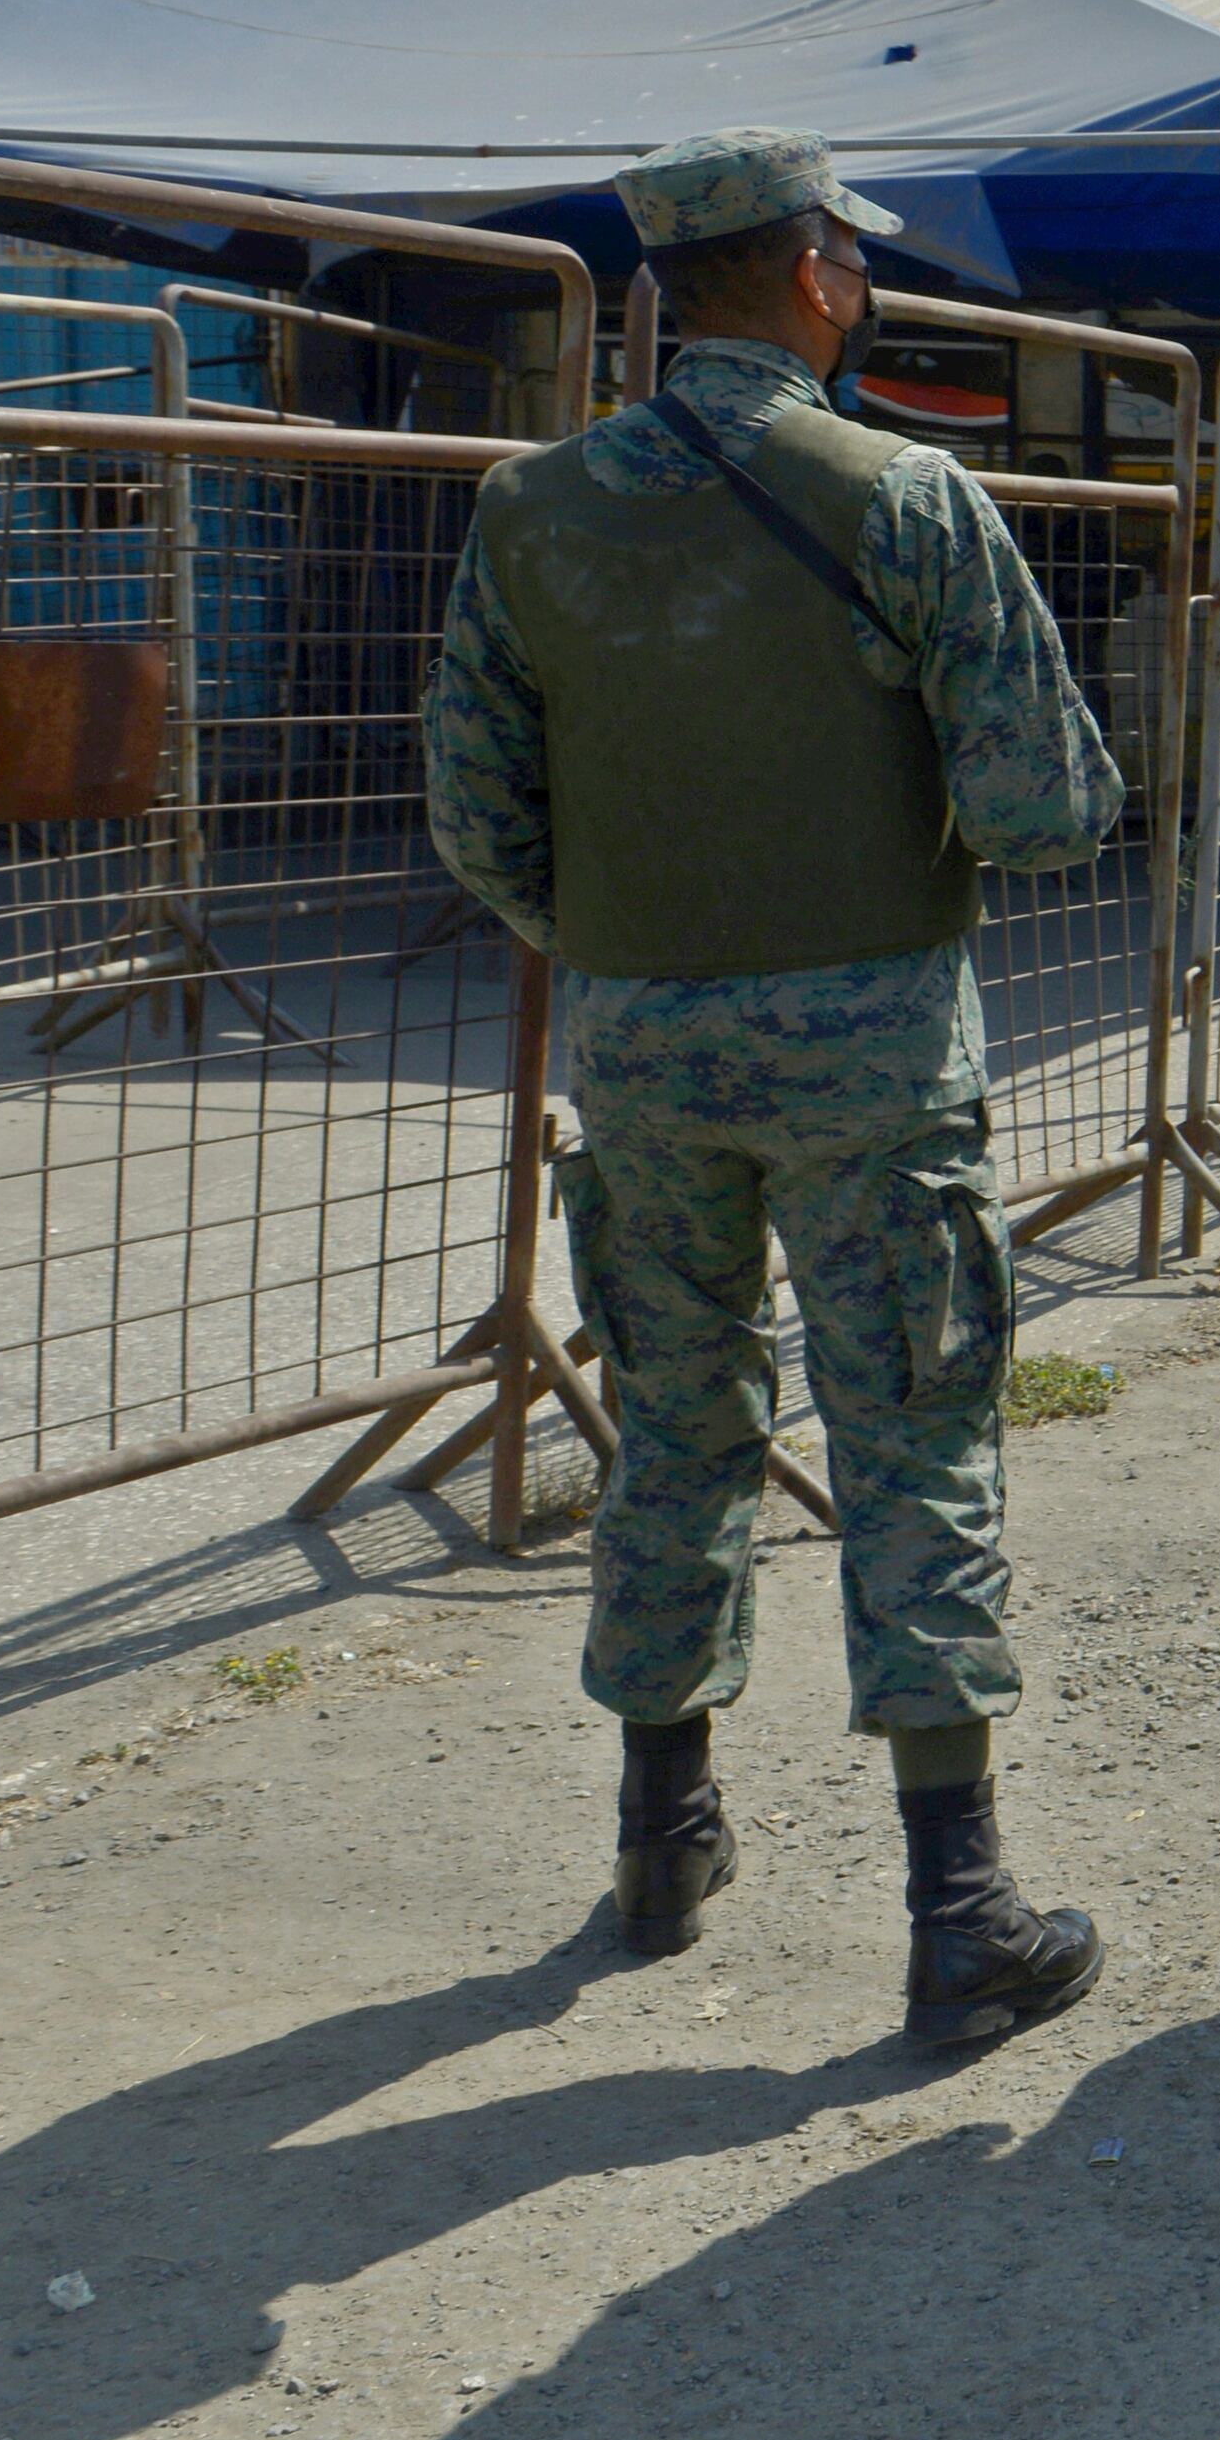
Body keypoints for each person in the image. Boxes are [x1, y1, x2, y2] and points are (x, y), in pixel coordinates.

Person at [425, 125, 1122, 2048]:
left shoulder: (527, 509)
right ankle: (962, 1908)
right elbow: (1050, 801)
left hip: (640, 1037)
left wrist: (636, 930)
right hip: (875, 1049)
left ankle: (665, 1833)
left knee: (675, 1418)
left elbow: (474, 815)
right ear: (815, 271)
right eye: (854, 256)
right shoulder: (905, 491)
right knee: (913, 1429)